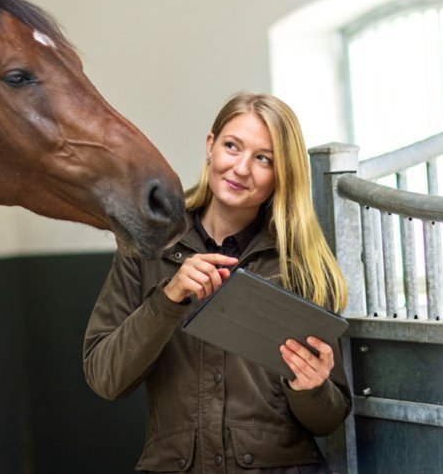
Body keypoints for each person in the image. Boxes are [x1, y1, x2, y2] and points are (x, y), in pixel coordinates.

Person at [83, 91, 352, 473]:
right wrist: (169, 299)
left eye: (263, 159)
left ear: (281, 174)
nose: (241, 168)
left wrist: (311, 387)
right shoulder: (148, 247)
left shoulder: (302, 265)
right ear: (210, 147)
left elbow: (329, 418)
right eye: (232, 146)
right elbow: (105, 377)